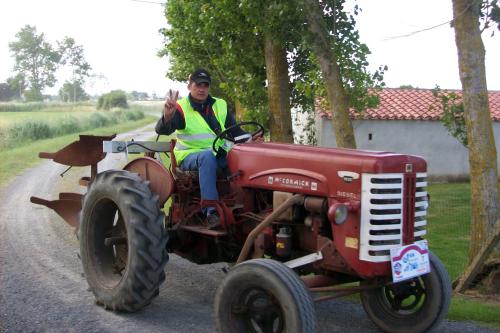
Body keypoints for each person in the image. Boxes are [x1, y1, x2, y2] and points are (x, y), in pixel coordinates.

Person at [155, 68, 253, 229]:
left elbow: (235, 132)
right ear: (189, 86)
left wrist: (251, 140)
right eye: (197, 85)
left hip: (218, 154)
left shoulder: (219, 105)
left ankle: (247, 207)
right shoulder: (180, 108)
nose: (201, 89)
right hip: (189, 157)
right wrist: (167, 116)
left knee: (243, 156)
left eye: (205, 85)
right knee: (207, 157)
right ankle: (211, 211)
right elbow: (163, 130)